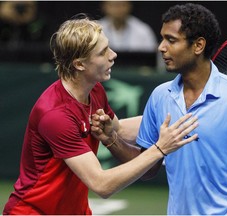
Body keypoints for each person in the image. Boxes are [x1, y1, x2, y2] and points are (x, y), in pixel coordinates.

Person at [92, 3, 227, 215]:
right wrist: (111, 139)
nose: (161, 47)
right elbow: (148, 168)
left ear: (198, 45)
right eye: (162, 38)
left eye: (171, 40)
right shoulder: (160, 97)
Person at [2, 14, 200, 215]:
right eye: (103, 52)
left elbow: (119, 129)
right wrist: (159, 149)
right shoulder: (56, 115)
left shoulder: (94, 90)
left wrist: (183, 118)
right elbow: (101, 184)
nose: (113, 55)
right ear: (79, 64)